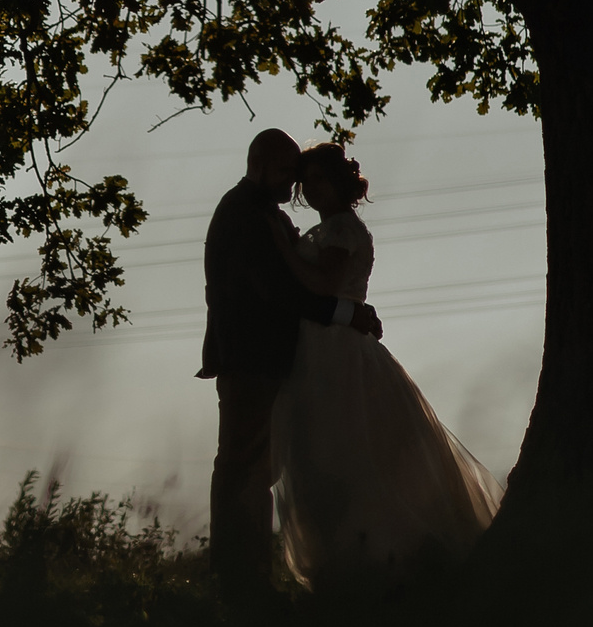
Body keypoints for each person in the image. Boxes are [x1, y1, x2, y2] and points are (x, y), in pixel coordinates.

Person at [266, 144, 504, 590]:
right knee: (319, 452)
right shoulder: (326, 230)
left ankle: (381, 562)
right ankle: (349, 563)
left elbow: (324, 283)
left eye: (319, 179)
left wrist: (283, 248)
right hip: (319, 345)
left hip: (337, 352)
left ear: (339, 183)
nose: (310, 188)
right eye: (307, 180)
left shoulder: (341, 230)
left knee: (349, 450)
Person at [198, 130, 381, 592]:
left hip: (268, 359)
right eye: (286, 172)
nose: (294, 184)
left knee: (256, 469)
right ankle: (240, 581)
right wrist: (348, 314)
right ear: (258, 165)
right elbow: (278, 292)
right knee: (245, 467)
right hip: (251, 359)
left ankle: (245, 577)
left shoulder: (262, 214)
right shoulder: (246, 216)